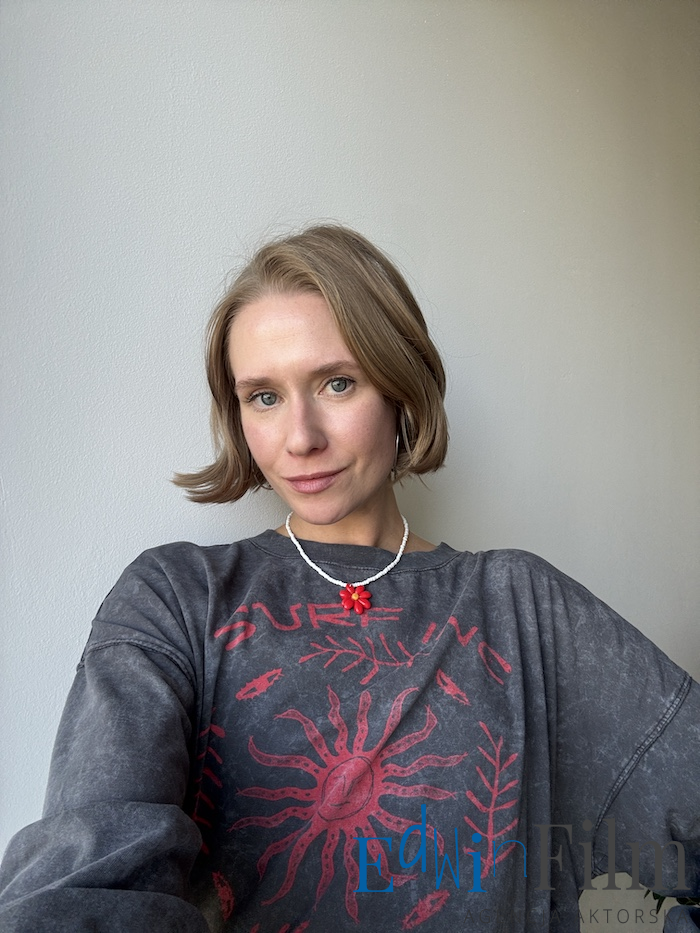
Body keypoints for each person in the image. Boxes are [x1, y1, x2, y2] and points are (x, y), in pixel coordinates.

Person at [0, 225, 698, 932]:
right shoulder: (176, 598)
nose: (301, 437)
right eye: (264, 397)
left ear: (399, 386)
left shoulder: (520, 604)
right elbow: (87, 881)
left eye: (338, 383)